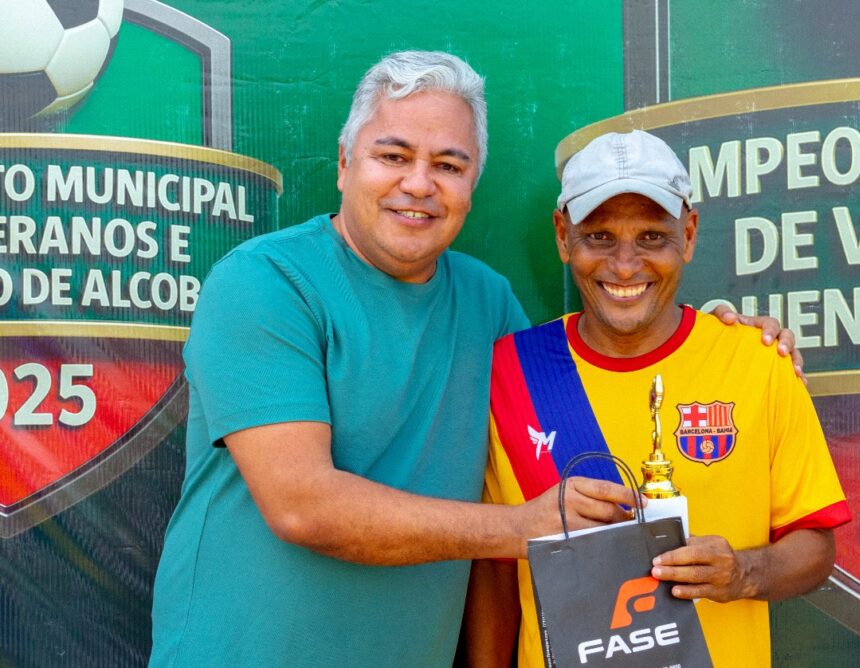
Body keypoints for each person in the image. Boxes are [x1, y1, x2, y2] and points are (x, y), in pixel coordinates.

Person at [149, 52, 797, 666]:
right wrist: (518, 528)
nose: (418, 183)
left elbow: (591, 388)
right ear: (345, 163)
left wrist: (717, 336)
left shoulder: (488, 302)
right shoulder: (264, 282)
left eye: (449, 165)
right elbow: (302, 505)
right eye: (393, 155)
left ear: (471, 184)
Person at [469, 130, 851, 667]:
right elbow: (493, 568)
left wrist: (742, 573)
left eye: (651, 237)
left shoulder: (758, 361)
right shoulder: (510, 372)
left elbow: (815, 546)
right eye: (599, 237)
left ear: (688, 235)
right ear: (562, 236)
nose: (625, 265)